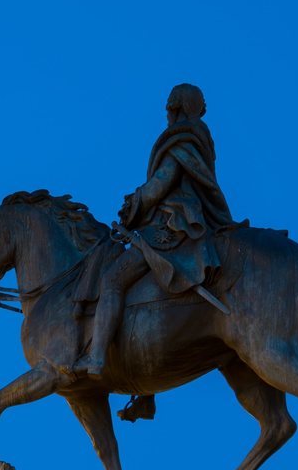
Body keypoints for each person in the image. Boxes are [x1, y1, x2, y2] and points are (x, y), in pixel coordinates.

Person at [72, 83, 237, 379]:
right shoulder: (199, 138)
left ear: (178, 107)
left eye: (170, 106)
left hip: (172, 226)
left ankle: (96, 357)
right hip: (179, 223)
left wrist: (134, 202)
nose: (166, 112)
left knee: (112, 280)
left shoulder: (181, 139)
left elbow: (162, 182)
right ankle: (144, 392)